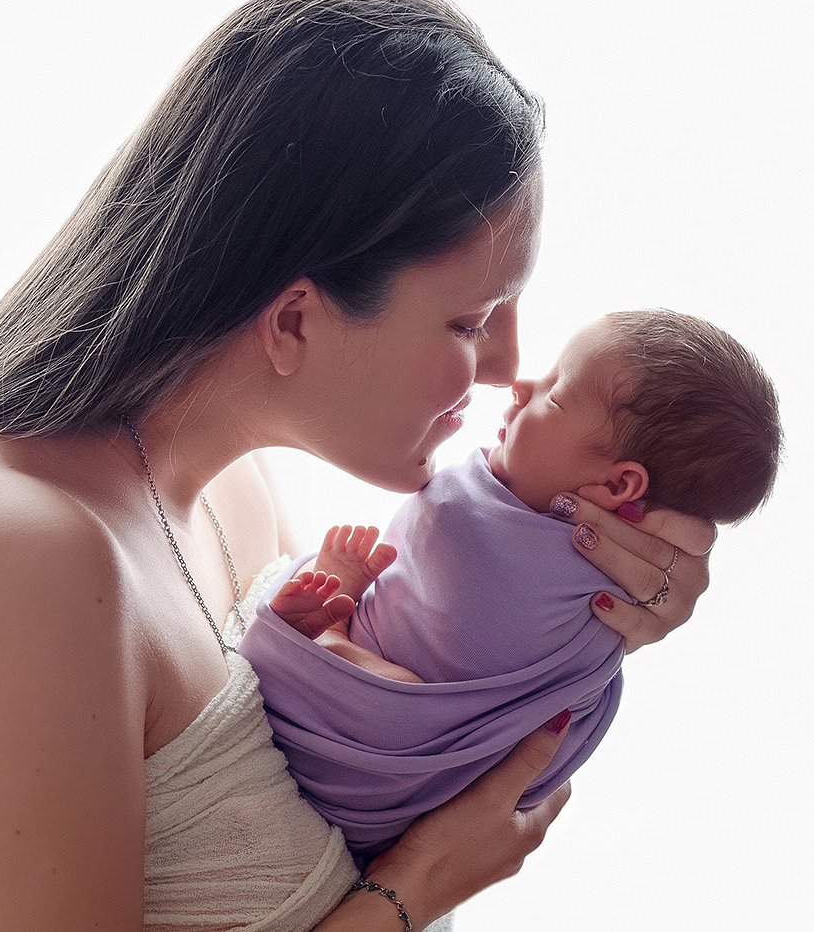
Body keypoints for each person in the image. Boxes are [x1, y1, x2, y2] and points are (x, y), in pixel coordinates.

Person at [0, 0, 713, 932]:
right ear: (295, 321)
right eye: (471, 321)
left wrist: (579, 614)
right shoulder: (27, 554)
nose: (505, 369)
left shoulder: (237, 495)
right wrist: (416, 889)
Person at [248, 307, 781, 860]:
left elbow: (450, 529)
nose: (520, 383)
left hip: (373, 769)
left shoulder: (471, 520)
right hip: (401, 829)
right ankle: (335, 633)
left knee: (394, 700)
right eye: (464, 321)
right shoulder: (628, 588)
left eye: (556, 394)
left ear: (620, 484)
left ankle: (331, 638)